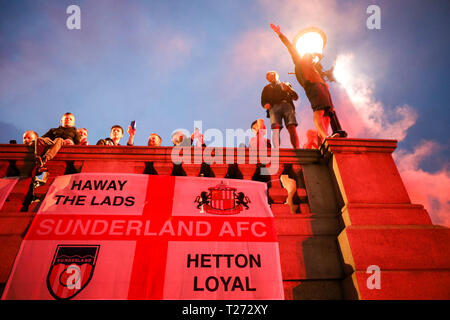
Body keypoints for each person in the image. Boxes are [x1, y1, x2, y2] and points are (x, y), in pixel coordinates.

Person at [270, 23, 347, 144]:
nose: (312, 58)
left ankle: (323, 138)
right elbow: (290, 47)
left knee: (328, 113)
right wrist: (279, 33)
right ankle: (325, 136)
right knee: (319, 111)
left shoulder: (314, 68)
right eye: (310, 57)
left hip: (322, 87)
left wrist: (324, 84)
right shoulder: (299, 61)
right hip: (313, 87)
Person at [261, 70, 300, 148]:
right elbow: (263, 100)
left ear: (277, 75)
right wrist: (266, 105)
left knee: (291, 126)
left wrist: (289, 89)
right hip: (273, 107)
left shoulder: (285, 84)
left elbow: (295, 97)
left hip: (287, 105)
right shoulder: (266, 88)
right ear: (267, 79)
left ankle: (296, 148)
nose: (270, 75)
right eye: (268, 76)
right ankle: (276, 149)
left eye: (272, 74)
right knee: (276, 129)